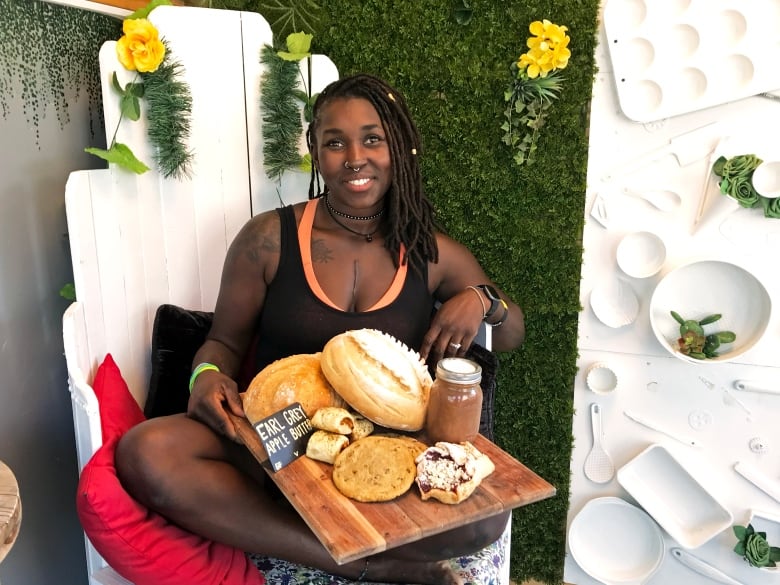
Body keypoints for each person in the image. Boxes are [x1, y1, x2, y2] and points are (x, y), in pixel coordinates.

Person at [116, 73, 525, 585]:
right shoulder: (268, 238)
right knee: (145, 452)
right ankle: (367, 564)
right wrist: (206, 377)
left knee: (486, 518)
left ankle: (323, 537)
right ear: (315, 151)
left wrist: (482, 300)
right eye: (335, 142)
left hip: (383, 458)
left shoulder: (430, 252)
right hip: (275, 446)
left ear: (398, 149)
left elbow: (511, 335)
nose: (355, 157)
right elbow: (221, 343)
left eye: (372, 139)